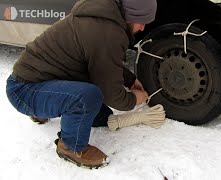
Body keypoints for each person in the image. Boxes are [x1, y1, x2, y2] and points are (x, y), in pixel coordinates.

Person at [6, 0, 157, 169]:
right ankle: (71, 147)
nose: (143, 28)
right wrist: (135, 98)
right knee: (88, 97)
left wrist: (130, 80)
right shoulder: (109, 33)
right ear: (130, 15)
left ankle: (45, 107)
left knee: (101, 115)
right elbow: (113, 96)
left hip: (37, 81)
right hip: (24, 89)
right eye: (142, 22)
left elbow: (103, 61)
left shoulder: (102, 19)